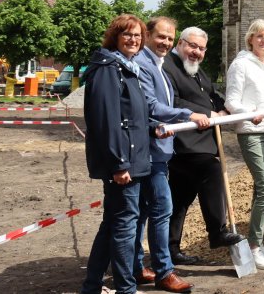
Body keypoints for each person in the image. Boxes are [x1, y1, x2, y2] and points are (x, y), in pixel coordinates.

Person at [80, 15, 189, 294]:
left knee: (112, 225)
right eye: (128, 35)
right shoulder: (108, 69)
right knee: (125, 228)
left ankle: (92, 286)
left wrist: (154, 130)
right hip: (125, 163)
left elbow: (134, 116)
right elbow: (108, 120)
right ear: (115, 37)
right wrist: (119, 164)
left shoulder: (127, 68)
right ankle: (126, 288)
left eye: (138, 36)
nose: (133, 40)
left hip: (136, 159)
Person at [131, 17, 206, 291]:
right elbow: (151, 106)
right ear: (148, 35)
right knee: (162, 210)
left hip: (159, 151)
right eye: (161, 37)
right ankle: (164, 271)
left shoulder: (158, 67)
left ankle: (137, 266)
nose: (165, 42)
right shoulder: (143, 65)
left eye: (169, 38)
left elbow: (164, 103)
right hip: (150, 153)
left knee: (143, 212)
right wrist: (188, 114)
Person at [164, 27, 245, 269]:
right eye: (193, 46)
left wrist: (225, 109)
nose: (196, 52)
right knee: (211, 171)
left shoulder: (198, 71)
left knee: (180, 198)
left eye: (201, 49)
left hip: (203, 141)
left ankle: (171, 249)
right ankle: (217, 231)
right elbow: (172, 101)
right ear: (180, 43)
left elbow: (212, 95)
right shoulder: (168, 67)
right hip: (184, 142)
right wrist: (208, 112)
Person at [224, 19, 264, 269]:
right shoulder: (240, 65)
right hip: (252, 132)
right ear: (250, 39)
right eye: (259, 36)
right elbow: (231, 100)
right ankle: (253, 246)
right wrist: (249, 113)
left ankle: (256, 241)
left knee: (261, 190)